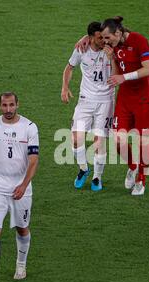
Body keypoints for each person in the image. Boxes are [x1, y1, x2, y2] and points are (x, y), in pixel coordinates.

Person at [76, 16, 149, 196]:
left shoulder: (139, 41)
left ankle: (141, 179)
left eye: (107, 38)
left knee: (142, 140)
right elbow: (97, 33)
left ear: (118, 33)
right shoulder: (113, 42)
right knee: (118, 139)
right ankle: (132, 166)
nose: (105, 42)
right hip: (125, 99)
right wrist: (85, 38)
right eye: (103, 39)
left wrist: (123, 77)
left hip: (143, 99)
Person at [0, 92, 39, 282]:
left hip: (20, 187)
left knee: (22, 228)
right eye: (4, 105)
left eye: (11, 105)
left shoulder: (29, 127)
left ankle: (21, 264)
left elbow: (33, 160)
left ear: (17, 104)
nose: (8, 109)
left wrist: (23, 184)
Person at [61, 21, 115, 191]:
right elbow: (69, 68)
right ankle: (84, 169)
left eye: (105, 37)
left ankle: (97, 178)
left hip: (106, 100)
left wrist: (112, 57)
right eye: (99, 38)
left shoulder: (111, 49)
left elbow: (117, 74)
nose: (104, 41)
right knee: (76, 138)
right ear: (91, 38)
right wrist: (65, 87)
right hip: (85, 100)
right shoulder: (81, 49)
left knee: (99, 141)